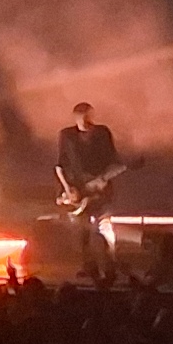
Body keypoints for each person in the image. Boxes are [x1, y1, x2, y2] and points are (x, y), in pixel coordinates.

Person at [56, 101, 122, 281]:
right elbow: (60, 165)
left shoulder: (102, 133)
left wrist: (103, 179)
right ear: (75, 118)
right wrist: (67, 190)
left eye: (89, 118)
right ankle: (89, 267)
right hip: (78, 191)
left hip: (100, 191)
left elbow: (113, 160)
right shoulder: (66, 135)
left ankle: (110, 266)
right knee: (82, 232)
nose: (86, 122)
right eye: (82, 118)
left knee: (104, 228)